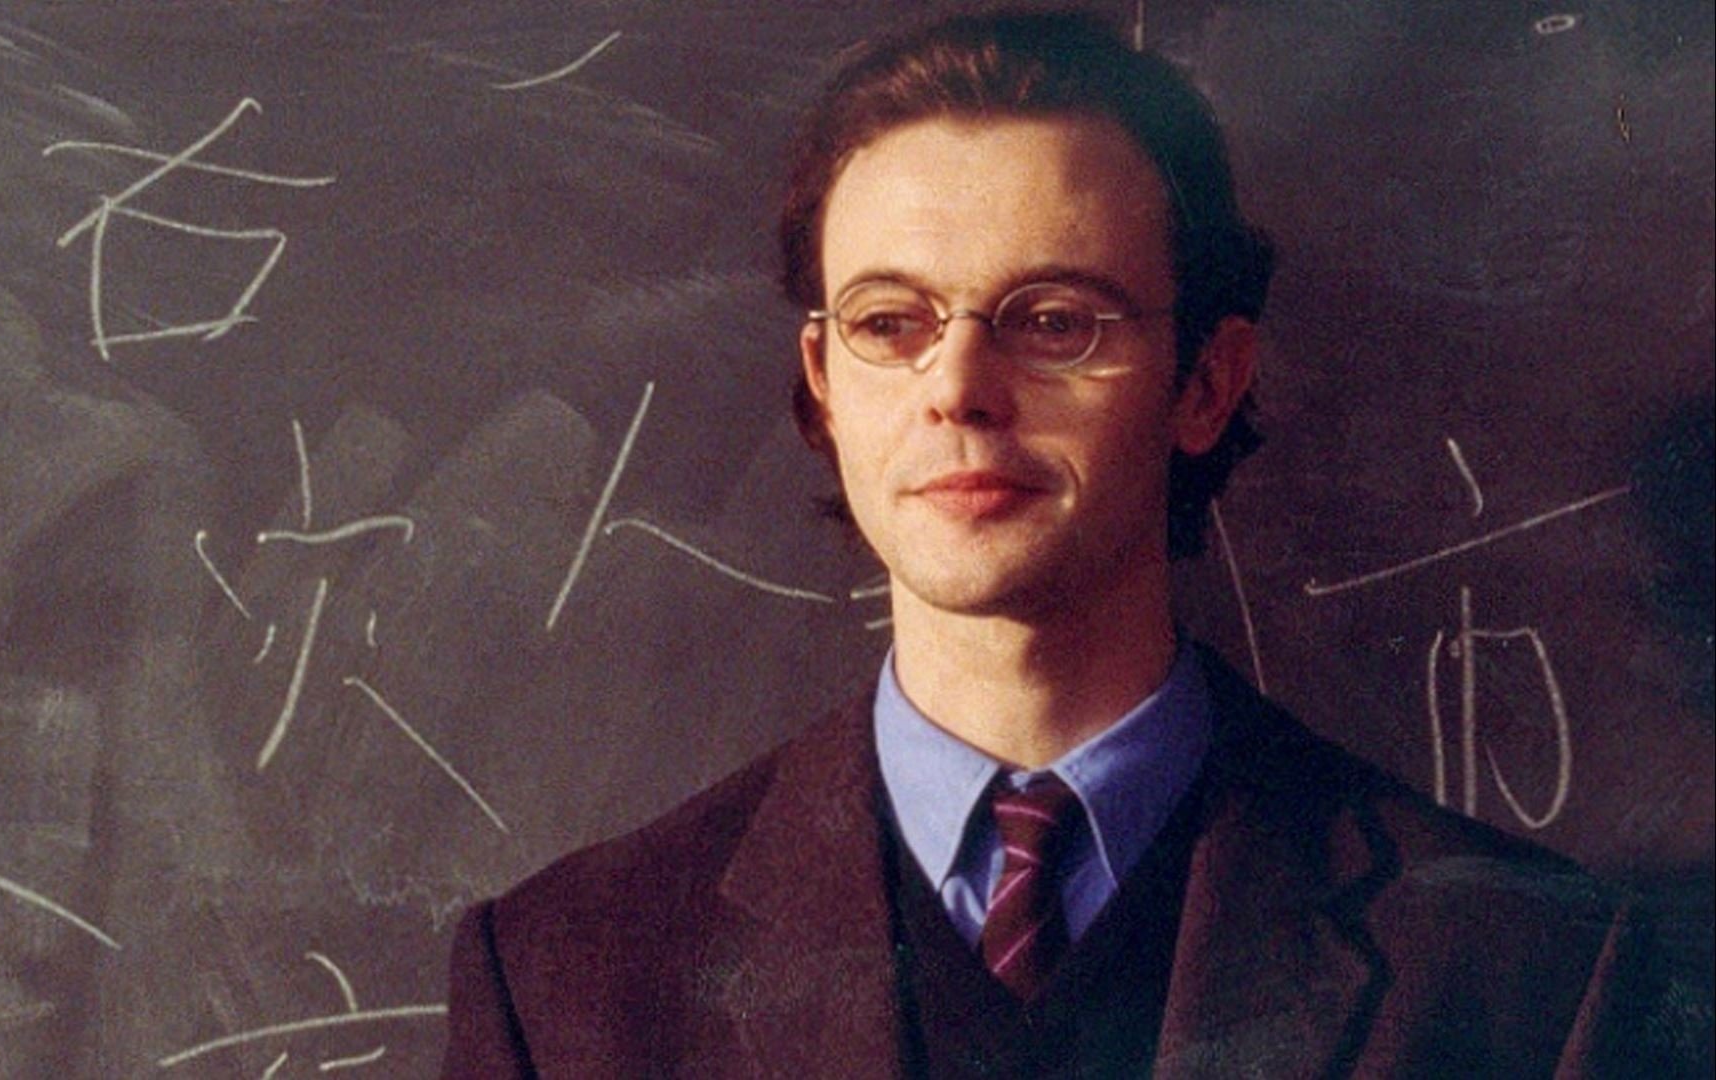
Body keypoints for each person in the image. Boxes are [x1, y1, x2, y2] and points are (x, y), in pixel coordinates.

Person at [441, 10, 1669, 1077]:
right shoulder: (565, 983)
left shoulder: (1524, 974)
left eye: (1054, 321)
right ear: (823, 385)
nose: (958, 389)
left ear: (1207, 382)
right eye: (890, 322)